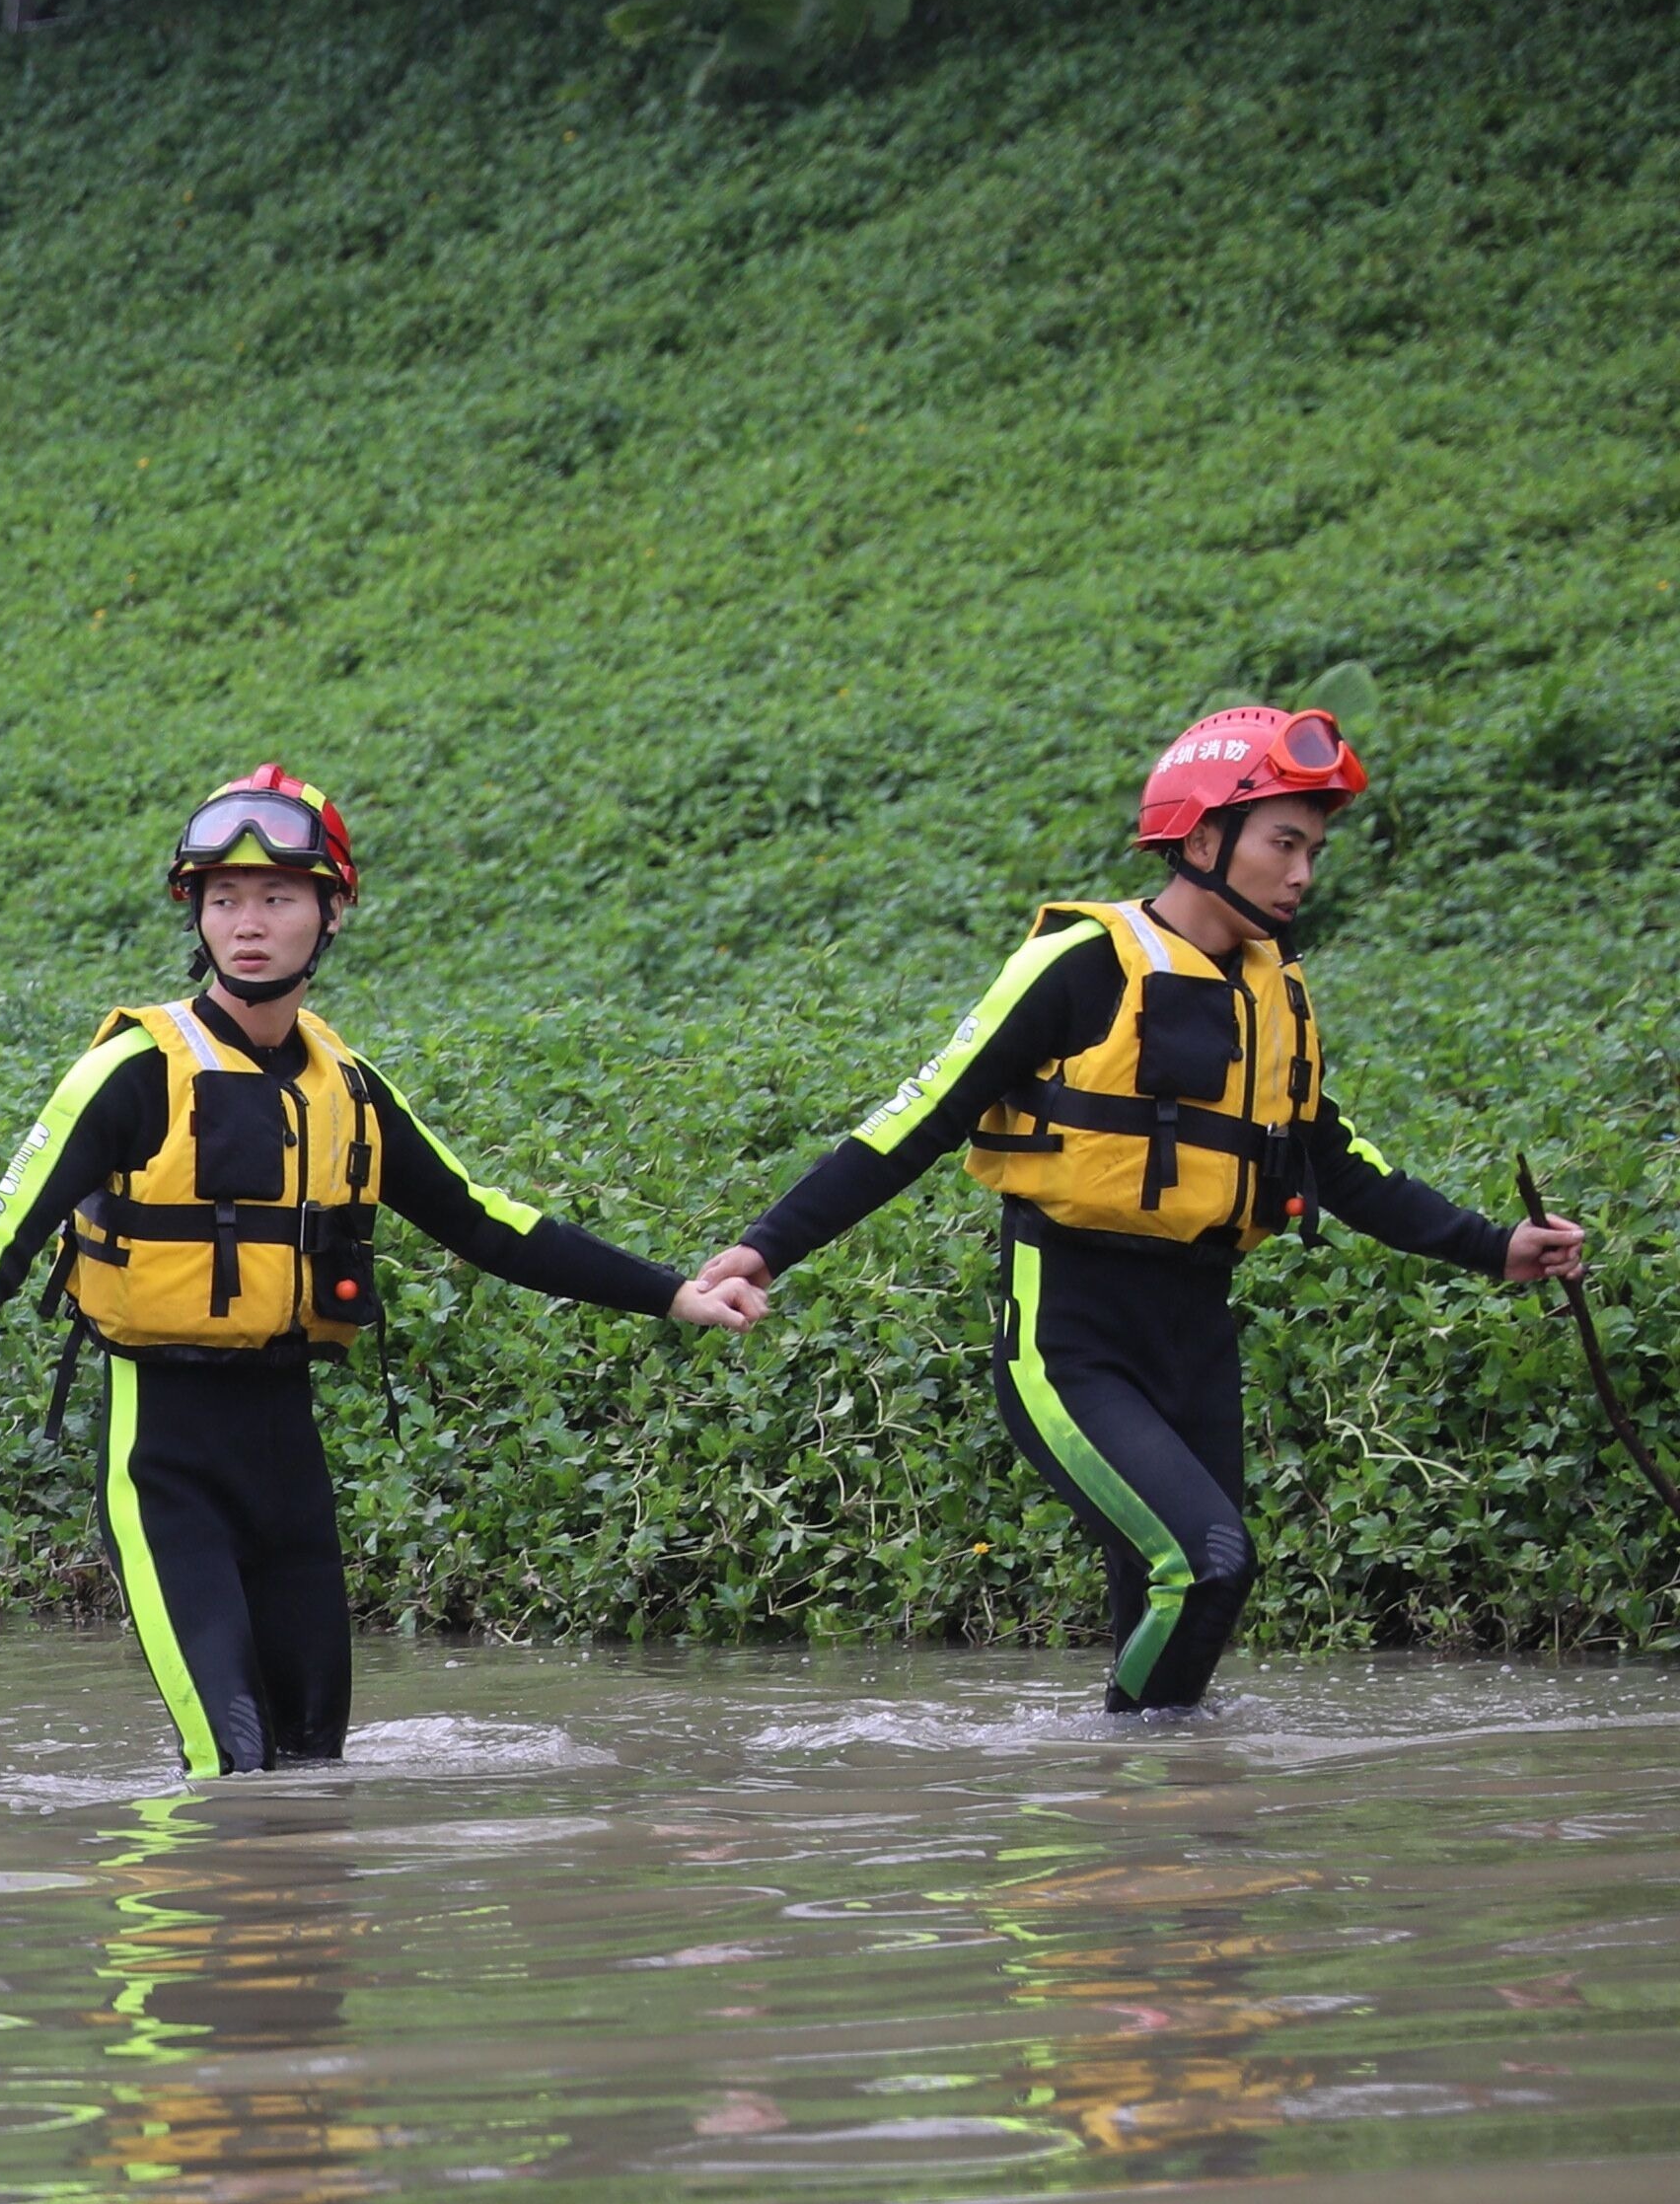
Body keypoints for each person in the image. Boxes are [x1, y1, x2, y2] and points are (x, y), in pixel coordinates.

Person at [0, 768, 758, 1780]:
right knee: (231, 1767)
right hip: (164, 1462)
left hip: (288, 1469)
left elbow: (486, 1225)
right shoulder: (131, 1073)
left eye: (276, 898)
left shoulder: (345, 1083)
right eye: (224, 900)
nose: (247, 923)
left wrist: (672, 1292)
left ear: (332, 911)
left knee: (313, 1769)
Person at [678, 704, 1588, 1717]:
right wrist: (765, 1248)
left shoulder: (1275, 990)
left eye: (1313, 850)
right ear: (1202, 839)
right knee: (1207, 1567)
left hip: (1197, 1335)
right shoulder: (1081, 964)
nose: (1303, 875)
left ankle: (1146, 1844)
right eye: (1283, 844)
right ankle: (1137, 1785)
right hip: (1070, 1336)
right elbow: (920, 1118)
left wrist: (1493, 1245)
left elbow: (1336, 1157)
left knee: (1171, 1602)